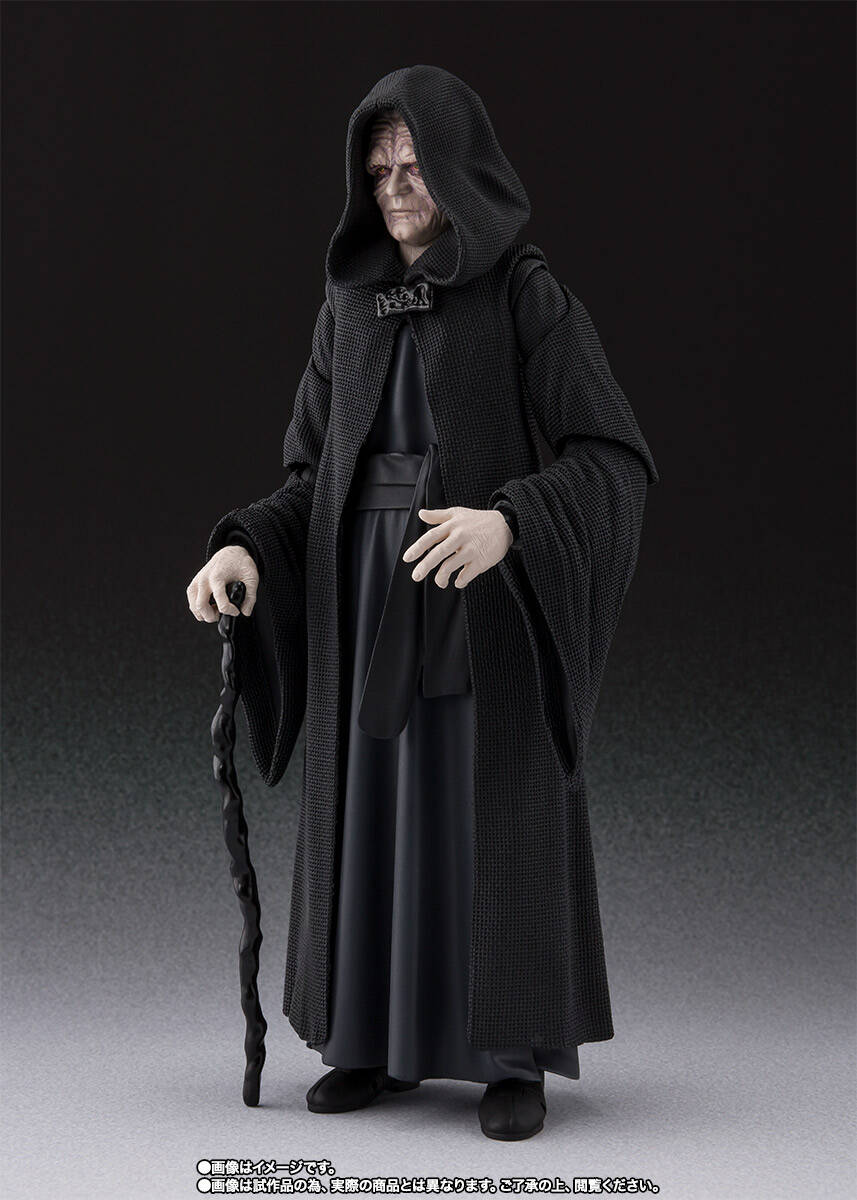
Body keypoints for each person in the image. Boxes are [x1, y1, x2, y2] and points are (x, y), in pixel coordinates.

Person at [186, 64, 658, 1141]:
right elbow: (310, 479)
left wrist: (512, 524)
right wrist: (244, 548)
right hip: (362, 610)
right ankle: (369, 1038)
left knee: (479, 815)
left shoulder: (522, 293)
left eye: (415, 166)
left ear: (458, 170)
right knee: (373, 817)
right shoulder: (348, 308)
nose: (396, 186)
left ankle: (508, 1056)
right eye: (379, 169)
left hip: (481, 610)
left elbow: (612, 457)